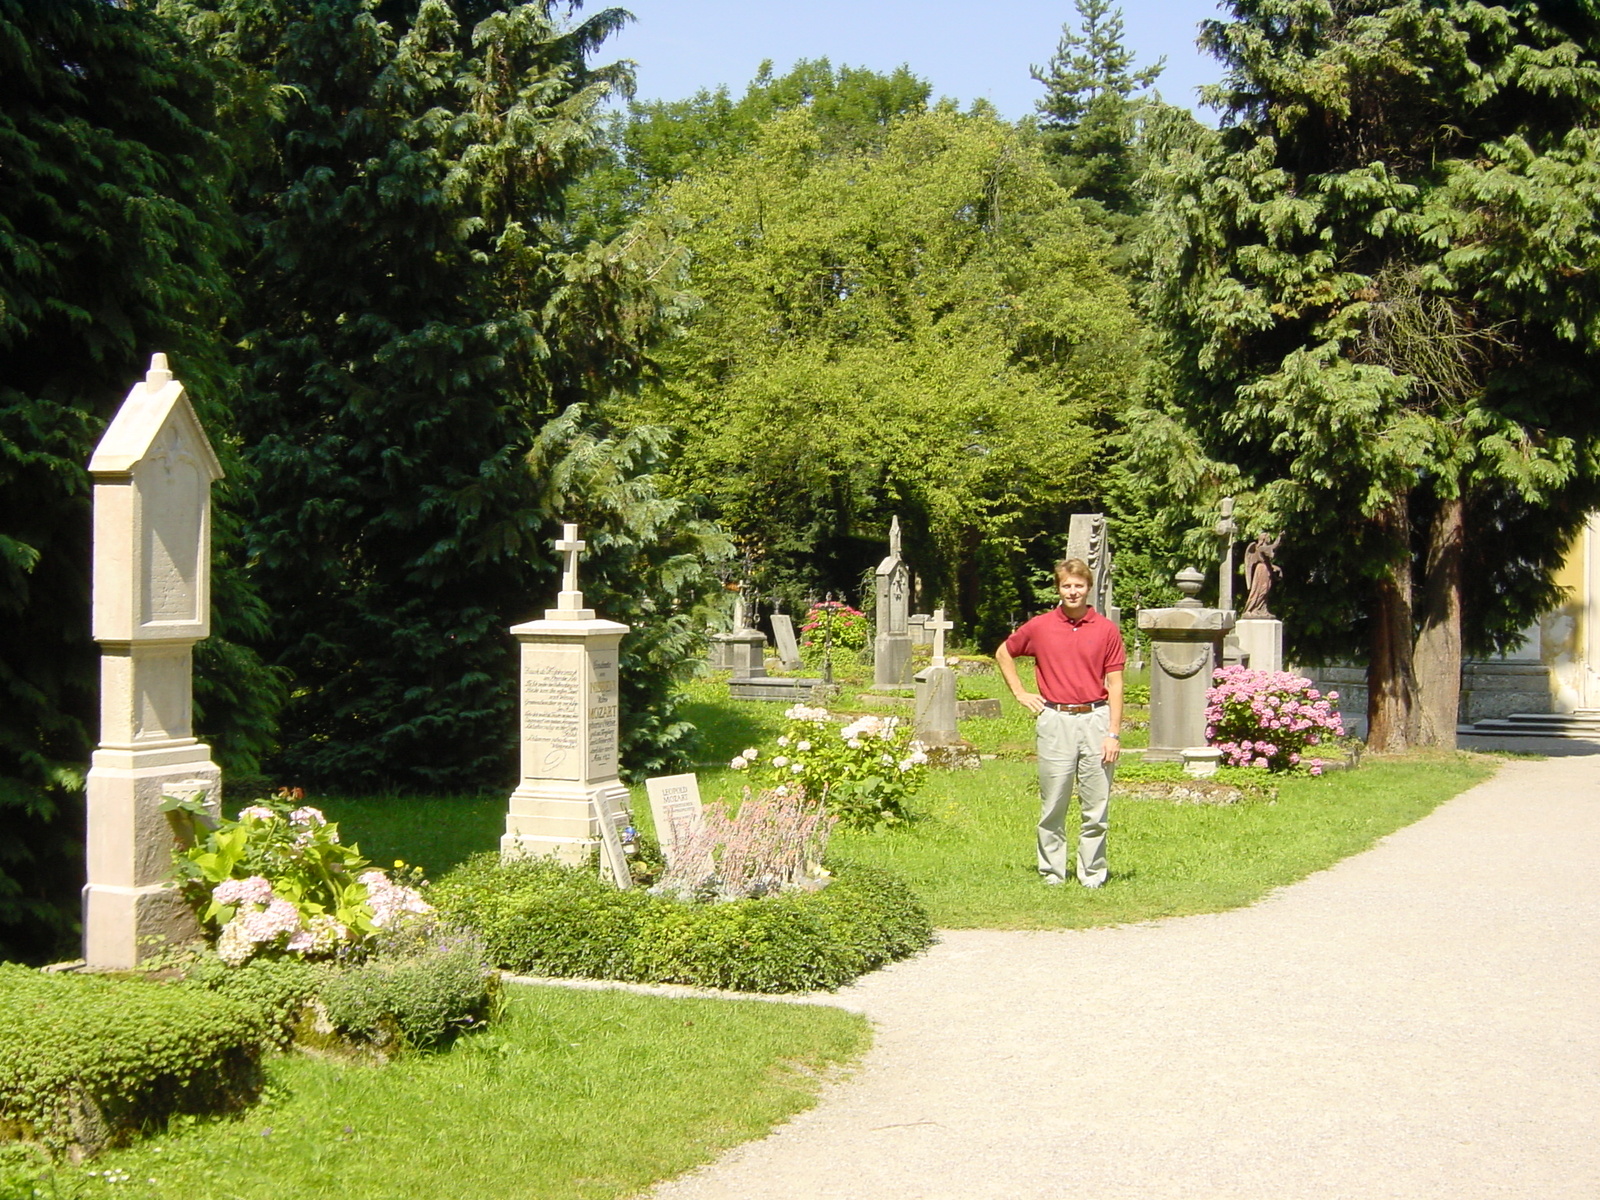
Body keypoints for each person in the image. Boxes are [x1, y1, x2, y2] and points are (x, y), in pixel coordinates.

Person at [995, 557, 1125, 888]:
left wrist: (1113, 733)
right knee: (1053, 803)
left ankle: (1092, 875)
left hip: (1096, 719)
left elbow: (1116, 683)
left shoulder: (1106, 630)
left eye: (1078, 585)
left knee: (1096, 805)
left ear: (1088, 588)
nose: (1072, 591)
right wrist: (1020, 692)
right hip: (1055, 720)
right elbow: (1003, 653)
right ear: (1058, 588)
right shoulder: (1039, 626)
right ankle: (1052, 874)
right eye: (1066, 585)